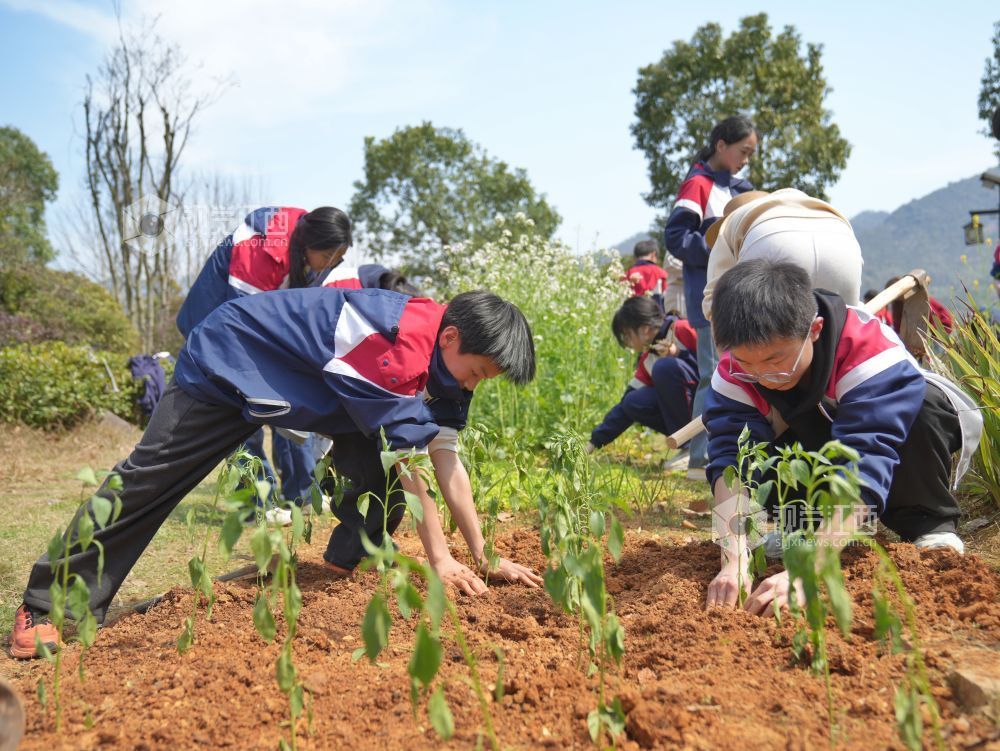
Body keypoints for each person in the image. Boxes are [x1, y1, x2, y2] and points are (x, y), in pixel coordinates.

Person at [11, 287, 543, 659]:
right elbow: (410, 462)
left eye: (484, 380)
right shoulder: (390, 342)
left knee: (378, 472)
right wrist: (441, 558)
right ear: (449, 337)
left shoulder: (449, 371)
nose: (473, 386)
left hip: (309, 387)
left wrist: (484, 553)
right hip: (229, 361)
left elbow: (445, 457)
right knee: (151, 478)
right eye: (476, 373)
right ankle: (45, 605)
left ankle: (345, 561)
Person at [701, 260, 982, 616]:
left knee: (921, 407)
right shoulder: (735, 370)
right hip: (819, 437)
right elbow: (732, 462)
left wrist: (809, 569)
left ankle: (927, 523)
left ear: (814, 330)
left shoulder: (869, 351)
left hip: (901, 437)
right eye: (747, 364)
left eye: (776, 359)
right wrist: (734, 557)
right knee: (760, 449)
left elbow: (865, 461)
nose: (764, 376)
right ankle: (803, 528)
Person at [176, 206, 353, 521]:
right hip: (217, 333)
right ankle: (255, 506)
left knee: (294, 404)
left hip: (258, 330)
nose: (329, 265)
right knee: (237, 415)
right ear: (309, 244)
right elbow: (240, 322)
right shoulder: (259, 252)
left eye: (336, 259)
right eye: (328, 256)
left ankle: (302, 494)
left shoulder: (306, 248)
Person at [664, 115, 758, 480]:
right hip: (710, 297)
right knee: (713, 375)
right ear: (721, 145)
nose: (746, 159)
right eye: (743, 151)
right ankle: (701, 459)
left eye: (751, 154)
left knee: (745, 372)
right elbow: (676, 237)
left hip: (743, 295)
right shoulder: (698, 185)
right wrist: (718, 248)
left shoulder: (741, 189)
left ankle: (739, 456)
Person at [701, 188, 864, 319]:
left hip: (770, 241)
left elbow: (713, 301)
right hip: (841, 240)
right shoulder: (797, 205)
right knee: (840, 337)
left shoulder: (732, 224)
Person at [586, 297, 698, 458]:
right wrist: (593, 443)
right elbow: (624, 407)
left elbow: (715, 365)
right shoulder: (648, 358)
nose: (627, 343)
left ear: (644, 329)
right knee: (633, 401)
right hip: (690, 411)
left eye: (627, 335)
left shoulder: (682, 329)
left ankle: (695, 446)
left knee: (664, 367)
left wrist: (679, 354)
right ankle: (686, 445)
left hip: (710, 407)